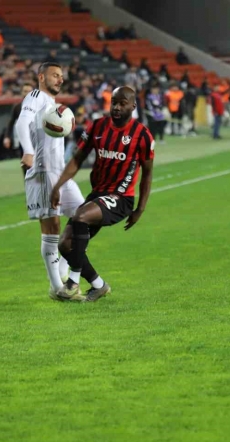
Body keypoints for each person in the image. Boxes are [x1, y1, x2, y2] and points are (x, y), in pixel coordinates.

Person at [50, 87, 155, 302]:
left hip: (120, 198)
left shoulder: (142, 135)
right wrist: (58, 186)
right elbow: (77, 159)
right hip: (97, 196)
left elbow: (147, 174)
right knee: (65, 245)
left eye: (122, 103)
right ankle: (99, 286)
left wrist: (140, 209)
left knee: (80, 217)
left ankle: (73, 282)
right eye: (113, 102)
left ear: (133, 106)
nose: (116, 107)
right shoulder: (97, 126)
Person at [14, 62, 86, 300]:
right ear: (41, 77)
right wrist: (28, 151)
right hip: (43, 171)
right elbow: (21, 123)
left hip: (59, 172)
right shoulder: (35, 96)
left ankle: (64, 273)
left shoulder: (54, 106)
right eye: (55, 75)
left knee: (83, 217)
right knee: (51, 228)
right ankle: (57, 288)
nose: (60, 79)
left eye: (62, 76)